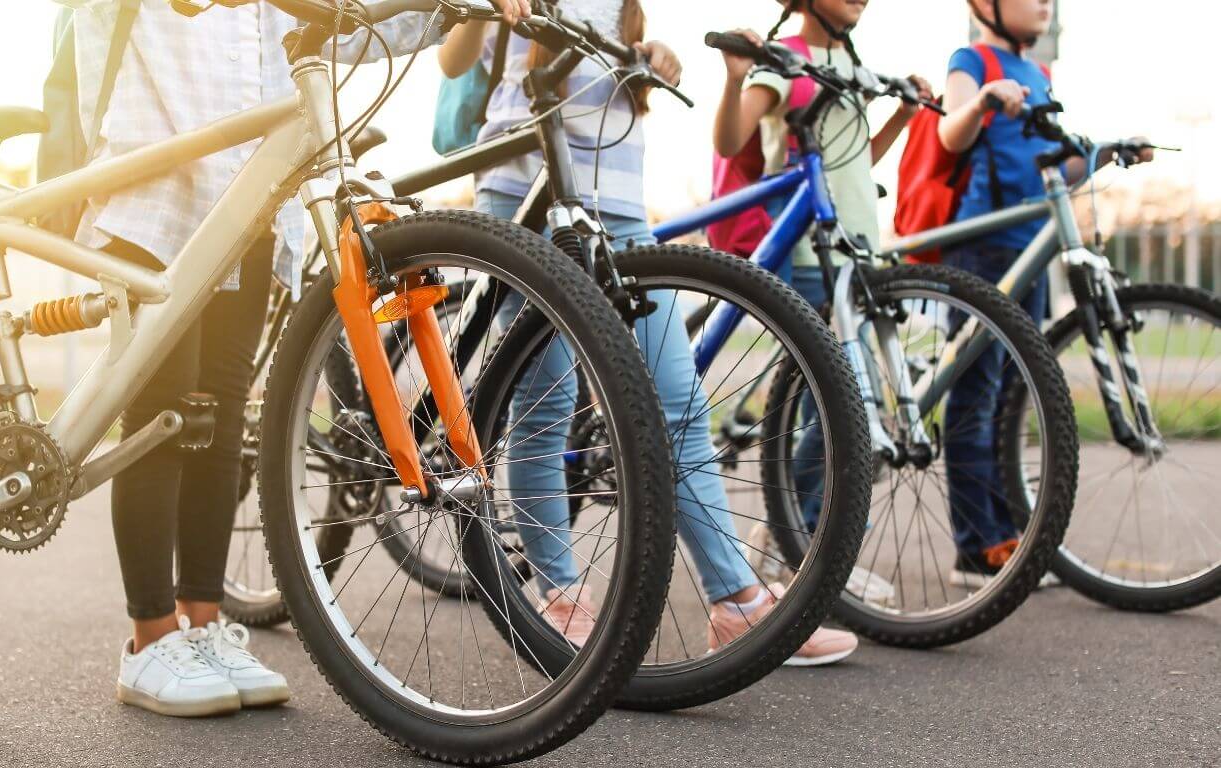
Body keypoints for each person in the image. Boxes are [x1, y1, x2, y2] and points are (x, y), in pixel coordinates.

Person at [73, 0, 528, 717]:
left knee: (219, 419)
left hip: (250, 202)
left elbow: (357, 16)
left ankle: (200, 623)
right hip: (154, 186)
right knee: (161, 411)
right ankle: (149, 637)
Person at [439, 0, 857, 665]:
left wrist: (653, 56)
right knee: (545, 405)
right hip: (528, 186)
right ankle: (558, 594)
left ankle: (737, 603)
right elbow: (453, 56)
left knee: (678, 399)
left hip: (621, 205)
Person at [712, 0, 930, 607]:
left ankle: (797, 537)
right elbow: (732, 141)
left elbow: (857, 161)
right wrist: (736, 80)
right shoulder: (789, 61)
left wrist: (903, 116)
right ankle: (808, 543)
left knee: (831, 410)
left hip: (855, 251)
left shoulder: (849, 66)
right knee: (835, 409)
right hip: (808, 258)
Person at [936, 0, 1152, 587]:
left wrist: (1109, 150)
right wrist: (982, 99)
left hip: (1033, 244)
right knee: (976, 390)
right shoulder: (971, 58)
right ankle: (976, 545)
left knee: (1014, 394)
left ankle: (1014, 535)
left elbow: (1062, 162)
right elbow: (950, 133)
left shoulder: (1041, 75)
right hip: (983, 244)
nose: (1043, 4)